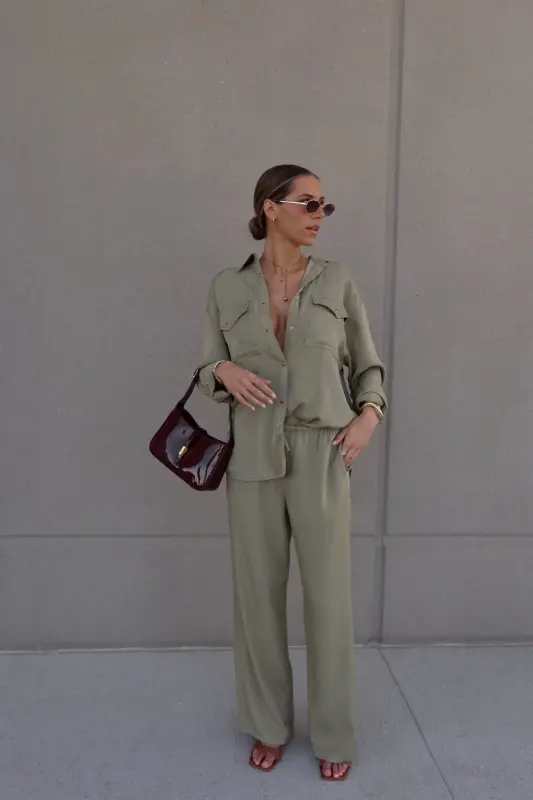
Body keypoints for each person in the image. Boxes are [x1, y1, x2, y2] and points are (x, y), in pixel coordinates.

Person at [197, 164, 387, 781]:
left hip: (322, 453)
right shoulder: (227, 287)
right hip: (252, 457)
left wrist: (367, 418)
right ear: (270, 207)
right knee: (257, 599)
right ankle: (267, 725)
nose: (319, 215)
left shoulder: (338, 281)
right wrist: (222, 372)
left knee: (329, 602)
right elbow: (207, 366)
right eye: (309, 203)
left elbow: (368, 366)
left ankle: (334, 732)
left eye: (325, 205)